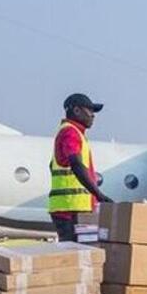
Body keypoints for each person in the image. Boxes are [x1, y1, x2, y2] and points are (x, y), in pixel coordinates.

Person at [48, 93, 111, 242]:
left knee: (79, 254)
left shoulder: (73, 133)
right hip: (70, 209)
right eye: (90, 111)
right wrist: (98, 194)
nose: (93, 116)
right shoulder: (70, 132)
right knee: (74, 255)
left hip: (73, 208)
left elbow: (54, 166)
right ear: (76, 111)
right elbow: (76, 164)